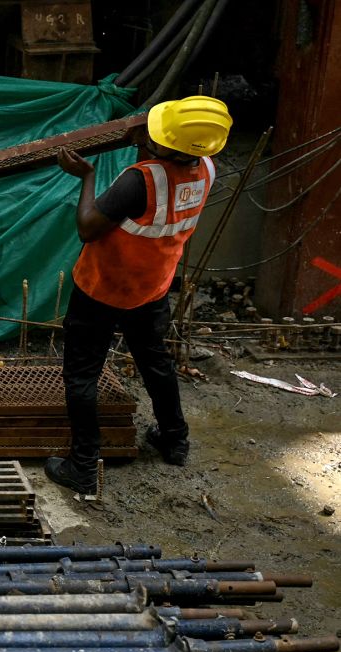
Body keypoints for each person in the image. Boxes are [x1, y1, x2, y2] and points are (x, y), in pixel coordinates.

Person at [45, 95, 233, 495]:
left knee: (82, 374)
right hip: (152, 288)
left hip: (102, 289)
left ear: (165, 145)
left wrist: (87, 176)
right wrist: (145, 142)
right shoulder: (207, 170)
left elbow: (88, 227)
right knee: (155, 362)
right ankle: (174, 439)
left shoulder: (139, 180)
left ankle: (82, 466)